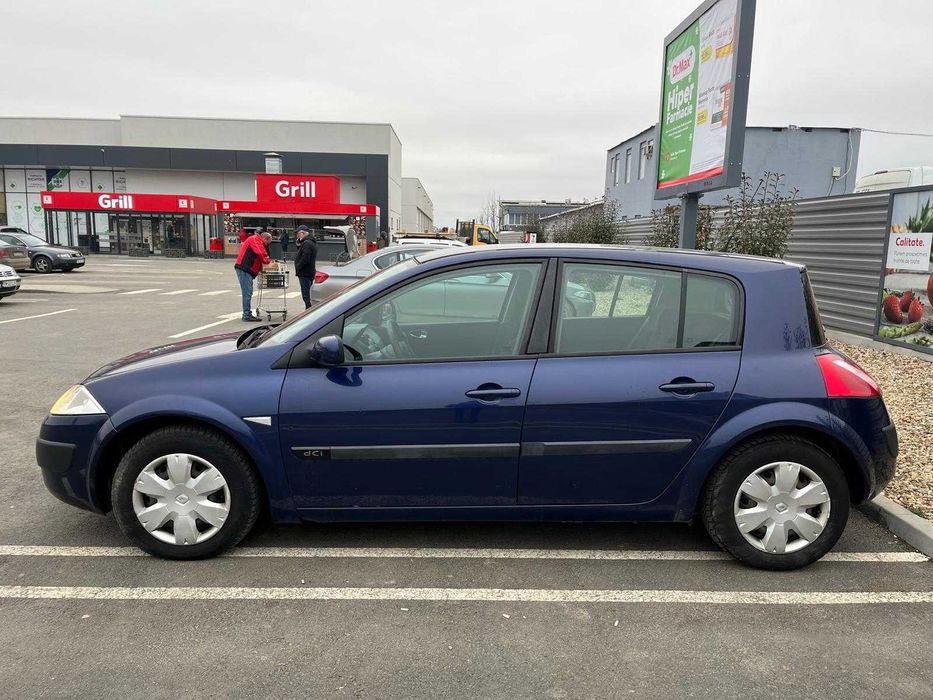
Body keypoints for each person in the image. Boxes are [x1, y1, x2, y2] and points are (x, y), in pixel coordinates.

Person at [234, 231, 272, 322]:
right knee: (247, 292)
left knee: (248, 292)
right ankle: (247, 315)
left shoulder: (256, 240)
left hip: (247, 269)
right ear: (264, 239)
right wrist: (267, 261)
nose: (267, 245)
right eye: (267, 243)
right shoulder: (255, 239)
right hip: (245, 268)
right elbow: (260, 252)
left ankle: (247, 314)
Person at [293, 224, 317, 310]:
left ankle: (308, 310)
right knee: (308, 292)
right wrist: (299, 245)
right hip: (308, 271)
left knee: (306, 294)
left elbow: (305, 257)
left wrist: (298, 266)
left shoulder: (307, 243)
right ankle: (309, 309)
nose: (297, 236)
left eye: (298, 234)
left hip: (305, 272)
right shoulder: (310, 242)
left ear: (302, 233)